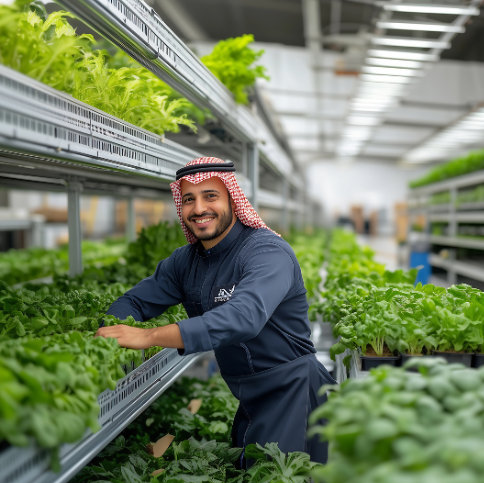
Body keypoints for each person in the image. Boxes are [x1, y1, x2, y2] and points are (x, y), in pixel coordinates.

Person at [96, 156, 335, 467]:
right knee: (249, 481)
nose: (199, 209)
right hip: (248, 396)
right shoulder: (185, 261)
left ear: (234, 201)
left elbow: (242, 318)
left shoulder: (266, 252)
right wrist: (105, 332)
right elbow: (136, 302)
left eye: (211, 196)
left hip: (292, 392)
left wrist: (148, 336)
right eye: (189, 200)